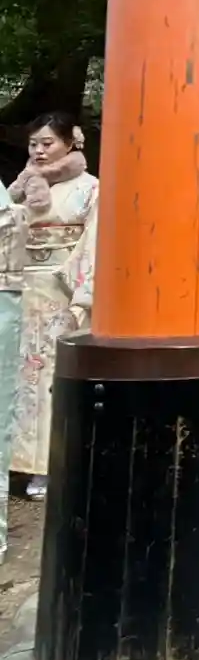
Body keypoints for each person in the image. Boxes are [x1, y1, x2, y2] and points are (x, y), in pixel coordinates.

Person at [2, 114, 98, 500]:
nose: (39, 151)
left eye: (47, 143)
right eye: (33, 144)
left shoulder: (90, 188)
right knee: (16, 376)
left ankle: (50, 466)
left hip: (61, 289)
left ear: (70, 143)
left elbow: (94, 242)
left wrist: (82, 296)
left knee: (51, 378)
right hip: (20, 288)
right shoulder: (20, 187)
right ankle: (14, 462)